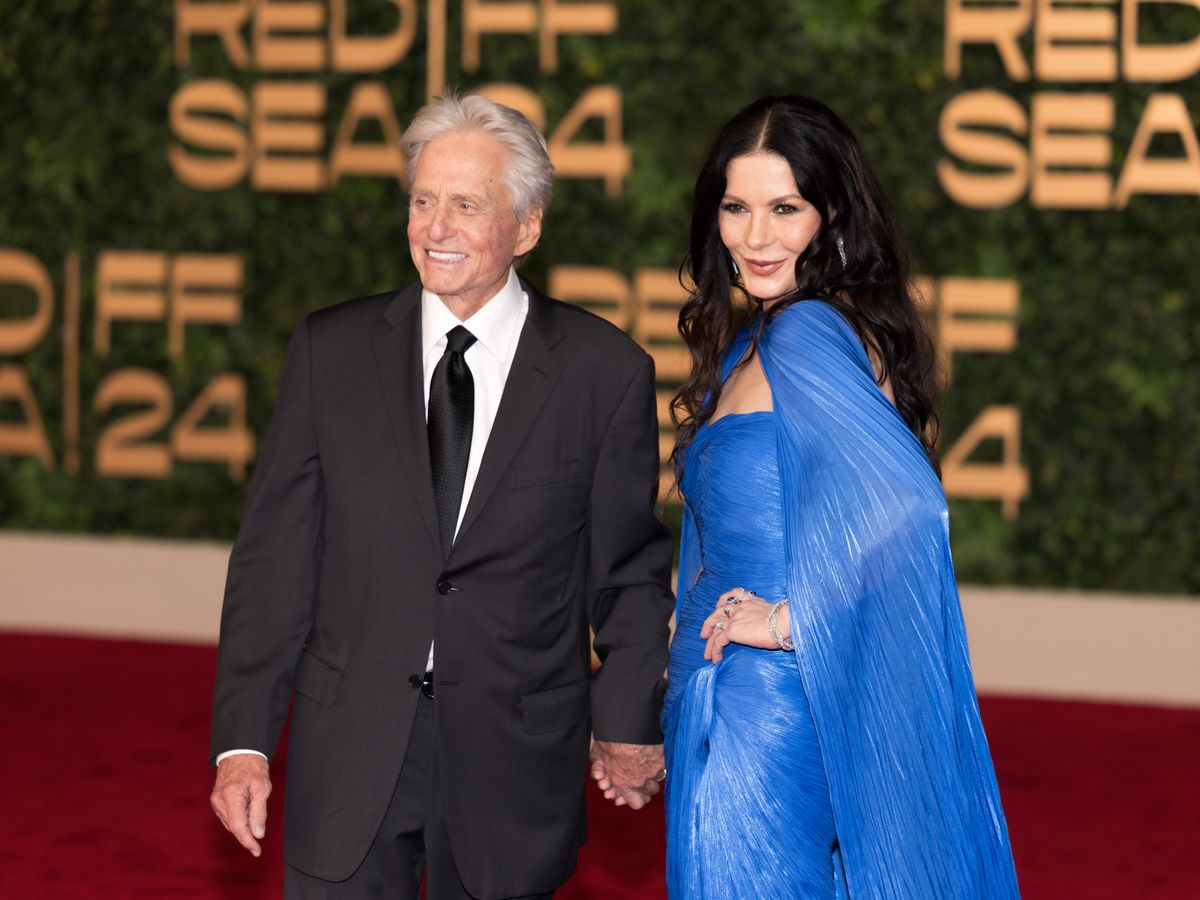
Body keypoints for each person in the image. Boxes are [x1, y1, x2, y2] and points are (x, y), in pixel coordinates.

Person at [208, 91, 673, 900]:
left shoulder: (605, 373)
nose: (435, 227)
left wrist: (628, 721)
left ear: (526, 226)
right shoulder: (332, 352)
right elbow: (274, 561)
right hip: (347, 749)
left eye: (466, 205)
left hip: (512, 760)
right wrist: (243, 742)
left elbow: (627, 570)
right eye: (423, 201)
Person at [662, 95, 1021, 898]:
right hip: (743, 699)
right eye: (735, 207)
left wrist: (789, 622)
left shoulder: (804, 334)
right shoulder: (764, 337)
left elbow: (907, 509)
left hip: (762, 711)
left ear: (830, 216)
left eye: (784, 208)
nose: (754, 237)